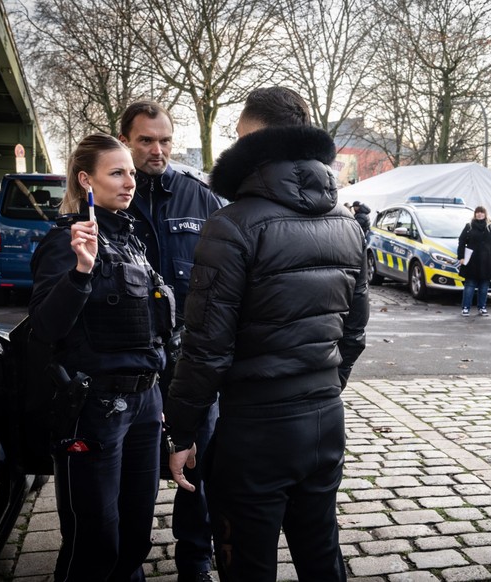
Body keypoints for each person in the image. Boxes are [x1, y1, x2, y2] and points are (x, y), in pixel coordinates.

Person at [164, 87, 369, 581]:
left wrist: (183, 431)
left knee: (246, 566)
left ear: (256, 137)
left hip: (255, 428)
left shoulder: (231, 224)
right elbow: (355, 330)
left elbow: (207, 346)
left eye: (238, 136)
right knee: (322, 554)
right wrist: (323, 384)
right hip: (323, 417)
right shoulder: (347, 224)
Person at [29, 134, 171, 580]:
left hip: (146, 407)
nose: (130, 181)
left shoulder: (132, 240)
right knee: (95, 540)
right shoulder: (66, 242)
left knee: (136, 534)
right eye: (117, 172)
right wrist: (80, 271)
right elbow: (45, 328)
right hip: (96, 409)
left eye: (130, 172)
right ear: (86, 179)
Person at [118, 100, 221, 581]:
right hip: (129, 356)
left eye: (164, 140)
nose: (157, 150)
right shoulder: (110, 196)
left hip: (191, 357)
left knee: (197, 462)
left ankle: (195, 557)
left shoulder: (200, 197)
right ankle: (126, 558)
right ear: (125, 141)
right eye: (145, 140)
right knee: (129, 466)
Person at [457, 206, 491, 316]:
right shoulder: (469, 226)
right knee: (469, 284)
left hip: (488, 261)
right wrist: (461, 257)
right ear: (475, 214)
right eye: (477, 212)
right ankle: (466, 307)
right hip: (472, 260)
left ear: (485, 214)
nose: (479, 214)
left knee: (484, 286)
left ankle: (482, 307)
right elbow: (461, 241)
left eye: (482, 212)